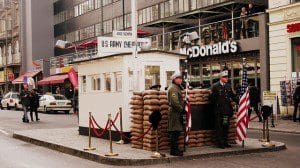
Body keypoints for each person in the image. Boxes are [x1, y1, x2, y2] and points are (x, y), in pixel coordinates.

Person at [210, 68, 237, 149]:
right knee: (219, 127)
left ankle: (225, 142)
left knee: (226, 127)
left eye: (227, 77)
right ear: (221, 78)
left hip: (226, 111)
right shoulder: (215, 86)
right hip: (219, 111)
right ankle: (220, 143)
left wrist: (240, 101)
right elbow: (212, 98)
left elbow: (233, 96)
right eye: (225, 77)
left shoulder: (228, 86)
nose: (227, 79)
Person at [167, 73, 185, 156]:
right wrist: (181, 109)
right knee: (175, 132)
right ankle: (174, 151)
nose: (180, 80)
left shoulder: (176, 87)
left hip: (176, 112)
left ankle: (175, 149)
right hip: (175, 113)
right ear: (174, 79)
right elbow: (174, 102)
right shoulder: (173, 88)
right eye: (178, 78)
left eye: (181, 78)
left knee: (177, 131)